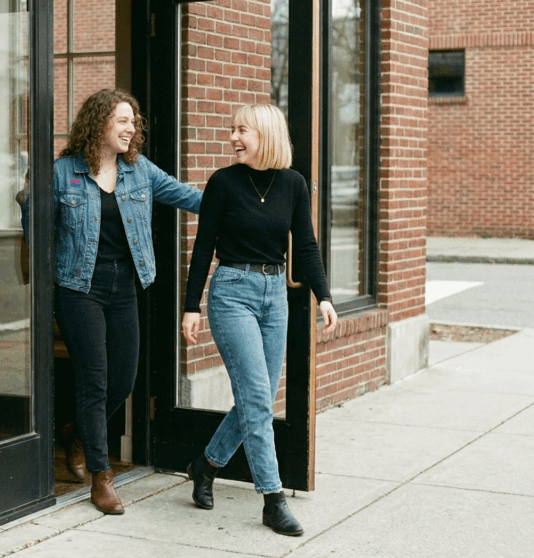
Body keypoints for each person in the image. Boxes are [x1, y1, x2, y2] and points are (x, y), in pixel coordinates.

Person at [32, 88, 203, 514]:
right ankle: (101, 475)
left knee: (123, 380)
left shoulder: (138, 170)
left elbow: (189, 196)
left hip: (124, 285)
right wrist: (50, 277)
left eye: (134, 121)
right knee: (95, 379)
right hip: (78, 287)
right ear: (99, 124)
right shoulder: (62, 172)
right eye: (123, 121)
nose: (132, 128)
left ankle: (76, 434)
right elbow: (35, 228)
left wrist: (238, 191)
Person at [180, 104, 337, 536]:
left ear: (265, 134)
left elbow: (305, 245)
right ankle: (273, 499)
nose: (233, 138)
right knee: (254, 394)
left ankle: (205, 465)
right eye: (232, 130)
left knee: (259, 401)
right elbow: (202, 248)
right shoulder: (223, 183)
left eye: (241, 130)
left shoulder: (293, 184)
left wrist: (323, 295)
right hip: (232, 292)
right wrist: (191, 306)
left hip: (275, 297)